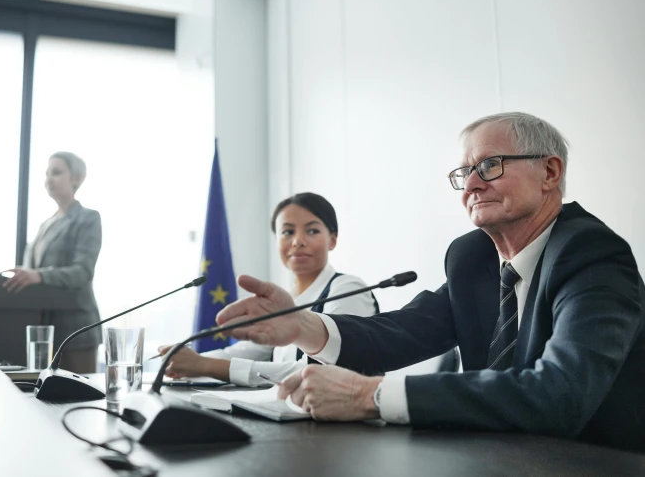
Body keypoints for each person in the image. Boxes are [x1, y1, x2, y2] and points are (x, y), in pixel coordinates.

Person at [217, 113, 645, 451]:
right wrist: (303, 326)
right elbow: (404, 330)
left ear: (550, 172)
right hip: (496, 456)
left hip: (590, 461)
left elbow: (559, 394)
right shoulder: (473, 257)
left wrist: (371, 395)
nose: (472, 184)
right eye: (464, 173)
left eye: (489, 166)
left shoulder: (592, 255)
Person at [158, 192, 379, 387]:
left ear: (332, 240)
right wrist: (185, 358)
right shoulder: (286, 300)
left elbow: (317, 375)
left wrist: (205, 365)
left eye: (312, 231)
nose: (297, 241)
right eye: (287, 232)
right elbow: (242, 352)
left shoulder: (349, 289)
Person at [3, 152, 103, 374]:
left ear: (77, 178)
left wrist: (38, 275)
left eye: (56, 172)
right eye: (47, 173)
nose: (49, 179)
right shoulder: (45, 225)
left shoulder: (88, 218)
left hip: (76, 331)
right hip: (42, 332)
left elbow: (82, 272)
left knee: (80, 400)